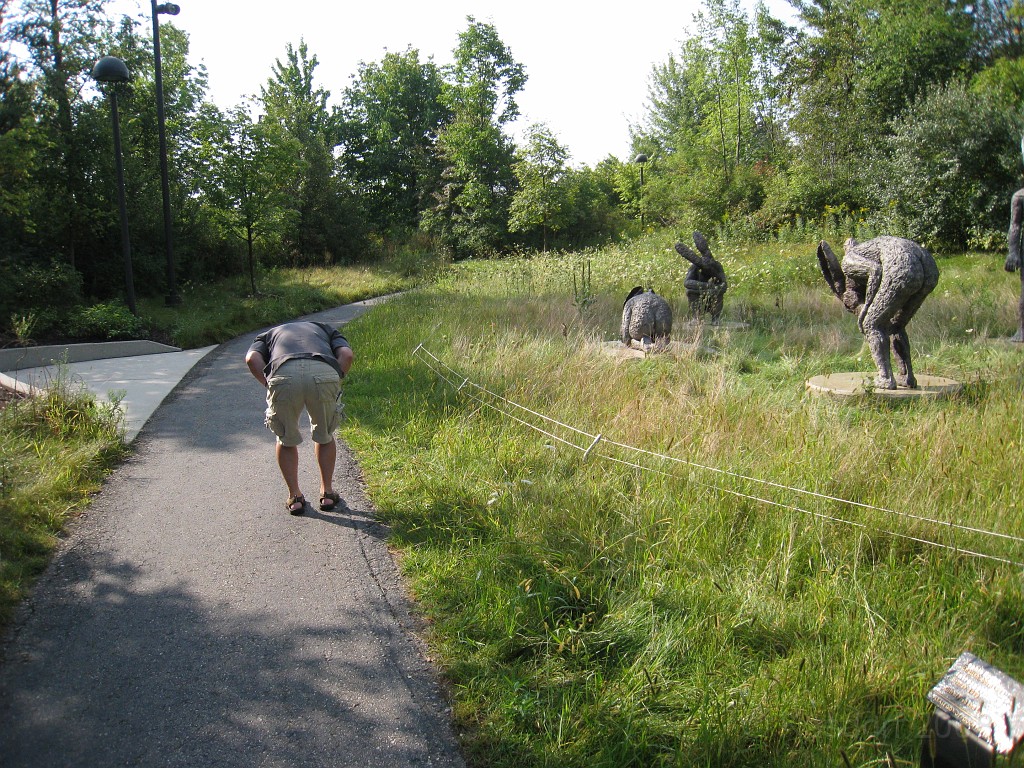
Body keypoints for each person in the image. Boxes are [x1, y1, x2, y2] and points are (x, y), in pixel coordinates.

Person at [245, 321, 354, 515]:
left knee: (285, 438)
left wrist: (268, 383)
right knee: (325, 434)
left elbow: (252, 359)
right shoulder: (327, 329)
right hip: (323, 370)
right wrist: (335, 379)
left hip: (283, 372)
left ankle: (295, 497)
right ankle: (327, 493)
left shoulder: (268, 334)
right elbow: (346, 355)